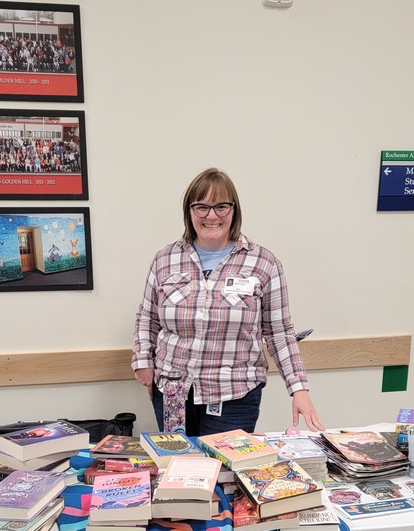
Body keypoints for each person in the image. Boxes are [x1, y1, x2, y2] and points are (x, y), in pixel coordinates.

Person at [132, 167, 324, 436]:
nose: (211, 216)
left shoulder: (263, 263)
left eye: (221, 206)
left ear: (234, 210)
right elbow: (148, 318)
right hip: (172, 391)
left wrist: (299, 389)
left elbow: (279, 333)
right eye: (201, 207)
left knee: (224, 470)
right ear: (189, 211)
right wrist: (142, 362)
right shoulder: (165, 259)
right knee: (178, 469)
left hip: (234, 395)